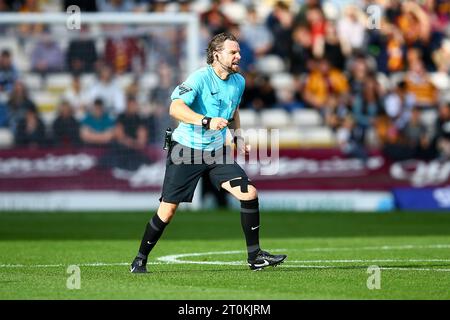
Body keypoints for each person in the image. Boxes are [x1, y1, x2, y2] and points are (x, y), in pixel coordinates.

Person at [130, 32, 287, 273]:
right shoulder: (200, 78)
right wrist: (205, 121)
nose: (239, 55)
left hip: (216, 152)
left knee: (249, 193)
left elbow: (233, 112)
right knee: (168, 210)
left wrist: (238, 136)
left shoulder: (239, 81)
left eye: (238, 52)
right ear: (217, 54)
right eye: (233, 52)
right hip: (185, 150)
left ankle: (255, 257)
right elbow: (175, 108)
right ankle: (139, 259)